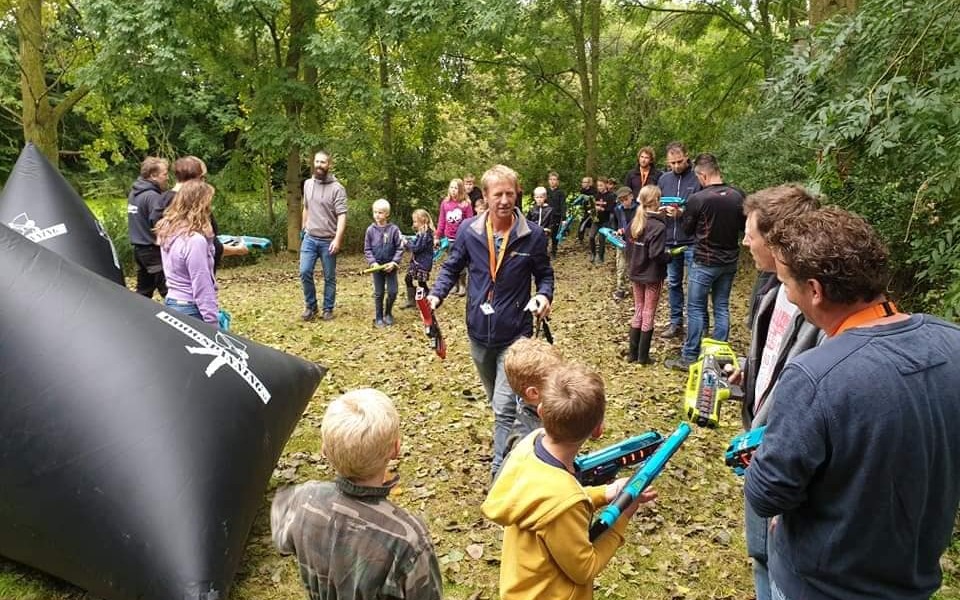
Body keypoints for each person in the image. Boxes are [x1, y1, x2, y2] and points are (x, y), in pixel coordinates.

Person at [744, 207, 960, 600]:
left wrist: (762, 455)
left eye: (786, 284)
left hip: (823, 584)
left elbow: (767, 493)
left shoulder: (815, 376)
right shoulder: (953, 343)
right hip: (913, 578)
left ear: (814, 290)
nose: (786, 296)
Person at [481, 364, 657, 600]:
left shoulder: (529, 445)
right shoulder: (566, 505)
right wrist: (624, 516)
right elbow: (585, 568)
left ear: (541, 411)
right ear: (598, 429)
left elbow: (554, 496)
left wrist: (605, 493)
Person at [427, 164, 554, 478]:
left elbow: (545, 275)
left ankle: (501, 473)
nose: (505, 200)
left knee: (503, 406)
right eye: (498, 194)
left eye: (510, 193)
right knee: (499, 401)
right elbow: (451, 268)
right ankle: (523, 442)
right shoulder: (470, 231)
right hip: (479, 333)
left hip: (516, 335)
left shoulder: (532, 236)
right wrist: (436, 295)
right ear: (484, 196)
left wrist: (544, 296)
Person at [728, 184, 822, 600]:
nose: (745, 241)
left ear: (779, 238)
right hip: (759, 444)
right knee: (760, 553)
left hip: (786, 452)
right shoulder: (770, 290)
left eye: (751, 233)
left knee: (782, 562)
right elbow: (773, 354)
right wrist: (748, 374)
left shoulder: (817, 306)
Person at [271, 388, 443, 600]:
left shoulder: (302, 498)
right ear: (396, 449)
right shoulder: (409, 538)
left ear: (324, 450)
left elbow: (283, 542)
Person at [666, 153, 745, 370]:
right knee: (721, 306)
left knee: (696, 308)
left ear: (702, 175)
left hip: (704, 261)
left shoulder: (698, 199)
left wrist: (681, 215)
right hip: (729, 260)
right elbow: (743, 226)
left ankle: (690, 356)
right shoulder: (738, 195)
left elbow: (687, 229)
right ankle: (718, 356)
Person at [161, 156, 248, 271]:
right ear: (197, 177)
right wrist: (238, 250)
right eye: (203, 177)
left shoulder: (162, 200)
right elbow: (207, 245)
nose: (204, 181)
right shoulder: (192, 204)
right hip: (193, 275)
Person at [154, 180, 219, 325]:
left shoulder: (168, 231)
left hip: (173, 302)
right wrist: (212, 323)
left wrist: (209, 240)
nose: (210, 208)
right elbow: (201, 282)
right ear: (200, 205)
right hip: (192, 308)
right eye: (208, 203)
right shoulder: (194, 241)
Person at [657, 142, 701, 339]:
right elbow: (655, 203)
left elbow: (704, 209)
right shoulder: (664, 179)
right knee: (673, 283)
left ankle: (696, 325)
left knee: (694, 284)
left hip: (691, 240)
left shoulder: (697, 178)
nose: (676, 166)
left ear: (687, 157)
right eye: (672, 163)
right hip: (669, 239)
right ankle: (676, 323)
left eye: (679, 162)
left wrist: (683, 213)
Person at [300, 150, 348, 322]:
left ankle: (328, 308)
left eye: (323, 162)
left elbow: (342, 216)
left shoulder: (337, 189)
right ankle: (311, 307)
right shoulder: (307, 184)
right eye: (317, 162)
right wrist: (303, 228)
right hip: (310, 238)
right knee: (304, 272)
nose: (319, 165)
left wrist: (337, 239)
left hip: (328, 240)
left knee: (329, 276)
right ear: (313, 163)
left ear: (329, 165)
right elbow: (306, 207)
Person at [626, 185, 669, 364]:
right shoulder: (658, 226)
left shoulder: (634, 222)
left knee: (638, 310)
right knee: (648, 312)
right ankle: (643, 357)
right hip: (652, 276)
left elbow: (628, 248)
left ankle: (632, 354)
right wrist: (669, 256)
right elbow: (656, 254)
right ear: (656, 201)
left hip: (636, 273)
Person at [504, 336, 565, 437]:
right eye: (557, 379)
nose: (565, 380)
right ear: (534, 393)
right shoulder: (527, 437)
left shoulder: (554, 406)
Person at [127, 156, 170, 298]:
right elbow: (158, 222)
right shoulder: (152, 196)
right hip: (153, 251)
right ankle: (185, 319)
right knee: (170, 292)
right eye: (165, 174)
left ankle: (135, 318)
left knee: (143, 293)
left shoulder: (134, 193)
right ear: (153, 175)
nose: (168, 177)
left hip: (140, 250)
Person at [363, 199, 403, 328]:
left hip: (391, 267)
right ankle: (379, 316)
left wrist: (394, 262)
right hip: (377, 268)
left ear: (386, 214)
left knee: (393, 291)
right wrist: (373, 262)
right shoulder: (370, 230)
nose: (377, 215)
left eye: (380, 212)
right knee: (379, 293)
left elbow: (400, 248)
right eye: (375, 212)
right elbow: (367, 249)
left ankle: (388, 313)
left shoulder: (394, 230)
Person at [435, 178, 474, 296]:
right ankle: (454, 284)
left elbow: (470, 222)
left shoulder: (465, 205)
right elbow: (441, 220)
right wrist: (437, 236)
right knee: (451, 262)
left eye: (456, 188)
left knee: (460, 262)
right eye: (451, 187)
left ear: (461, 189)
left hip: (460, 238)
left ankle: (462, 285)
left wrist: (469, 237)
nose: (453, 190)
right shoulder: (445, 203)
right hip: (448, 238)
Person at [400, 208, 435, 309]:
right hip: (416, 263)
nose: (414, 223)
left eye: (415, 221)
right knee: (408, 279)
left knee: (421, 282)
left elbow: (417, 248)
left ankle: (429, 299)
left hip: (423, 264)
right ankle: (411, 301)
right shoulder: (420, 233)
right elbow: (415, 244)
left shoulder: (426, 234)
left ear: (423, 220)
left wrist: (406, 243)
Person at [610, 186, 639, 302]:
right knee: (620, 266)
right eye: (621, 200)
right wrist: (618, 230)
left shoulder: (639, 209)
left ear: (631, 196)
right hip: (622, 241)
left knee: (635, 265)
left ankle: (637, 289)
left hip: (636, 241)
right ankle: (620, 289)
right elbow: (616, 223)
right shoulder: (618, 209)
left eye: (625, 199)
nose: (624, 202)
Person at [588, 177, 617, 265]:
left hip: (605, 221)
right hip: (596, 220)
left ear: (606, 185)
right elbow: (591, 206)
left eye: (601, 185)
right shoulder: (596, 195)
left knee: (601, 239)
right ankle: (593, 253)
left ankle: (600, 257)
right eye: (598, 186)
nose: (599, 187)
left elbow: (611, 209)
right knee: (591, 236)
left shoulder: (611, 196)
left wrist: (600, 209)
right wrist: (591, 210)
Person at [546, 171, 566, 259]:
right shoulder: (545, 191)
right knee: (545, 234)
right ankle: (544, 251)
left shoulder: (560, 192)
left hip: (556, 216)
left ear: (557, 181)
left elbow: (563, 205)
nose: (552, 181)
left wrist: (564, 217)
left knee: (554, 235)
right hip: (547, 216)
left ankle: (554, 251)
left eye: (554, 179)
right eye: (550, 179)